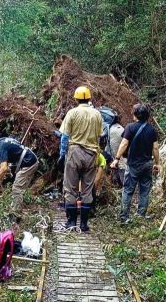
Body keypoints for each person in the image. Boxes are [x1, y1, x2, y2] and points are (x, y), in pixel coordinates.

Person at [59, 86, 102, 232]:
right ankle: (84, 224)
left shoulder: (72, 113)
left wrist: (62, 154)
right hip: (92, 153)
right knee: (87, 189)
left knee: (70, 188)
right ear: (89, 98)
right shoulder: (97, 114)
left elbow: (65, 137)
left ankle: (71, 222)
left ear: (76, 98)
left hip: (74, 152)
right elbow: (101, 136)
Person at [110, 104, 160, 224]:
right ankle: (141, 214)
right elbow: (156, 148)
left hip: (133, 164)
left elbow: (124, 144)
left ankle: (124, 216)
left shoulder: (130, 127)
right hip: (147, 163)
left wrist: (117, 158)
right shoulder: (152, 129)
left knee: (128, 190)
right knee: (144, 190)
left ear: (136, 114)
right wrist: (157, 163)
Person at [0, 132, 38, 220]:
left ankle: (15, 216)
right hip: (28, 158)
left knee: (17, 188)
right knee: (17, 187)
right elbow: (11, 148)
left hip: (29, 162)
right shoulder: (2, 141)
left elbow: (3, 168)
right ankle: (15, 210)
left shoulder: (1, 147)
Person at [108, 115, 127, 186]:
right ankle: (123, 184)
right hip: (120, 131)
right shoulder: (121, 127)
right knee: (122, 159)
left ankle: (123, 185)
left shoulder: (108, 127)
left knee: (117, 160)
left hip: (113, 133)